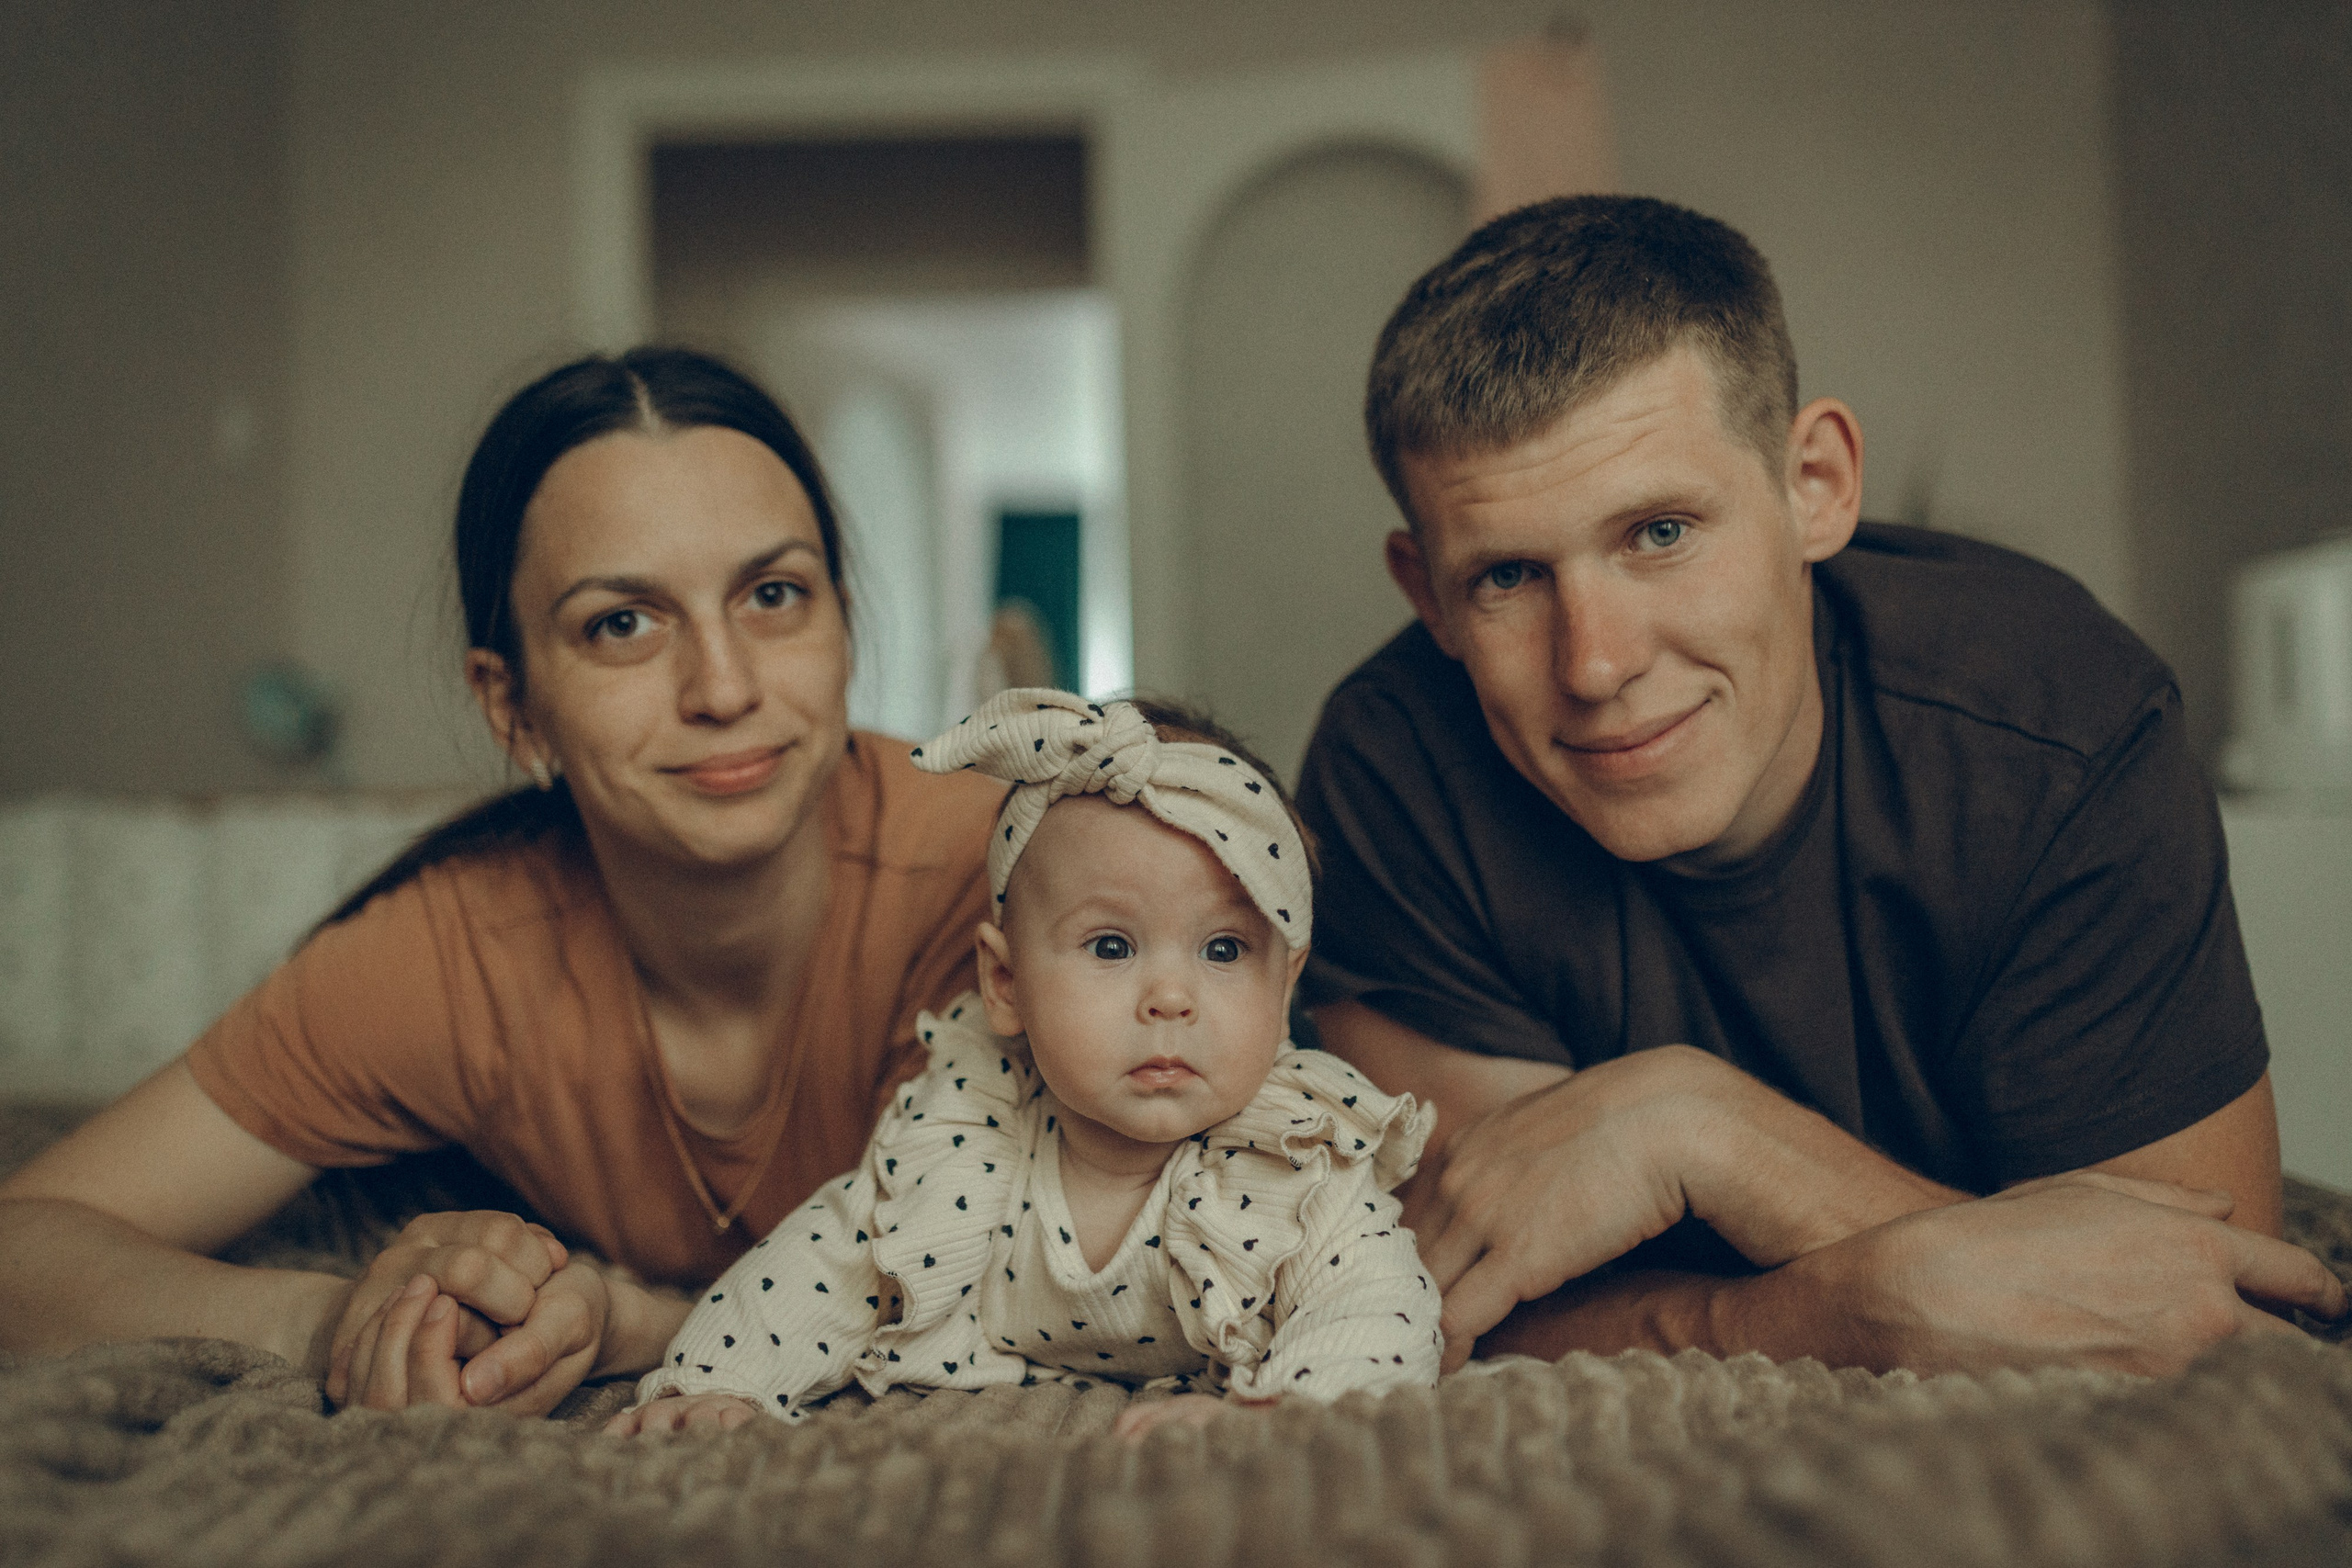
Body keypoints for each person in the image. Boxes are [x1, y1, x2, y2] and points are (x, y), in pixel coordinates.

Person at [1298, 194, 2346, 1376]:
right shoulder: (1392, 770)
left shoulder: (2055, 725)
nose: (1594, 664)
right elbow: (1450, 1300)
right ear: (1426, 593)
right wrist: (1786, 1319)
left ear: (1815, 484)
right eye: (1503, 576)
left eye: (1658, 533)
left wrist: (1707, 1133)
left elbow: (2204, 1313)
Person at [0, 348, 1002, 1416]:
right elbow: (29, 1240)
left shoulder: (1006, 881)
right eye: (623, 622)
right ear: (511, 710)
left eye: (773, 595)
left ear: (840, 628)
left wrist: (632, 1322)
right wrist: (333, 1321)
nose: (724, 685)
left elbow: (991, 1293)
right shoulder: (461, 951)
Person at [604, 689, 1438, 1442]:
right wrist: (719, 1378)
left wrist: (1287, 1410)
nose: (1171, 998)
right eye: (1111, 945)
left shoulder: (1289, 1166)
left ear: (1284, 982)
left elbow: (1378, 1303)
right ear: (1005, 983)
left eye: (1224, 948)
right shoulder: (972, 1137)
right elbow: (832, 1261)